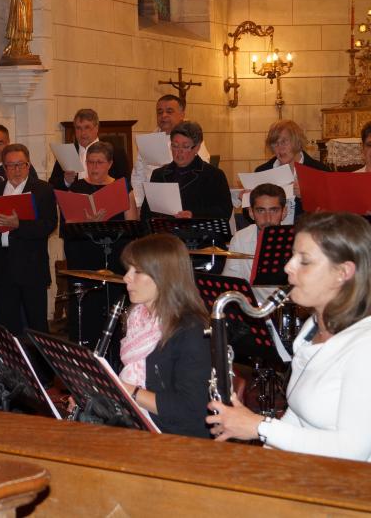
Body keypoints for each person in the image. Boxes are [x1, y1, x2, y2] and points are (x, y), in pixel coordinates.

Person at [208, 212, 371, 462]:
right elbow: (297, 416)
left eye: (304, 261)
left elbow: (353, 450)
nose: (288, 267)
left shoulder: (364, 346)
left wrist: (259, 427)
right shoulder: (312, 328)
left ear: (343, 272)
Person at [119, 234, 211, 438]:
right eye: (128, 270)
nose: (126, 277)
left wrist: (126, 391)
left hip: (176, 438)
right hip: (141, 423)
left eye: (138, 271)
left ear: (163, 276)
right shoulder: (138, 318)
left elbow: (190, 410)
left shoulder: (191, 330)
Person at [61, 141, 137, 346]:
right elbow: (68, 225)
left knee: (112, 306)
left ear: (110, 163)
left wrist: (104, 223)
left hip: (114, 254)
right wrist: (88, 222)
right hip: (84, 254)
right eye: (90, 162)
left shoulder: (122, 187)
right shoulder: (77, 188)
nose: (94, 167)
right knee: (87, 308)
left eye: (99, 163)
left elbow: (133, 226)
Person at [0, 143, 57, 335]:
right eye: (10, 165)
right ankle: (12, 364)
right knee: (7, 326)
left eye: (20, 164)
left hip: (31, 266)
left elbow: (49, 225)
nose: (16, 170)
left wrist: (19, 225)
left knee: (37, 324)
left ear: (28, 165)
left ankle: (39, 365)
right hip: (3, 266)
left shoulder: (43, 190)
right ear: (4, 167)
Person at [140, 121, 232, 222]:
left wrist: (193, 214)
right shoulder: (159, 174)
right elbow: (146, 213)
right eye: (175, 146)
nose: (179, 151)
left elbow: (224, 211)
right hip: (165, 233)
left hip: (198, 233)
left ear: (197, 147)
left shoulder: (213, 175)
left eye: (185, 146)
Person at [131, 95, 210, 207]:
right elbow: (138, 175)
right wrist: (138, 204)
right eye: (160, 112)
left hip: (187, 201)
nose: (164, 116)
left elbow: (203, 170)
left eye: (169, 111)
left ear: (182, 115)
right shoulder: (148, 140)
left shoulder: (191, 138)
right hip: (154, 203)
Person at [254, 119, 328, 224]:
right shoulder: (262, 171)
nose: (280, 148)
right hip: (272, 233)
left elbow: (330, 212)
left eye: (284, 142)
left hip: (308, 233)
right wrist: (248, 202)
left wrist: (306, 197)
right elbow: (250, 216)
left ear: (297, 142)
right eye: (275, 143)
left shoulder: (319, 170)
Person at [222, 183, 288, 300]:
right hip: (254, 311)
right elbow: (231, 281)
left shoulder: (297, 239)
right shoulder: (240, 237)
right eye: (261, 211)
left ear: (284, 212)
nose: (267, 218)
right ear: (251, 213)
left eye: (274, 210)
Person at [48, 108, 101, 192]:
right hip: (73, 203)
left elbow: (124, 186)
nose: (83, 133)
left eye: (87, 127)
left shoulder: (114, 152)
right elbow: (51, 185)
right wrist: (66, 181)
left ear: (96, 128)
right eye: (78, 128)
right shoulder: (66, 153)